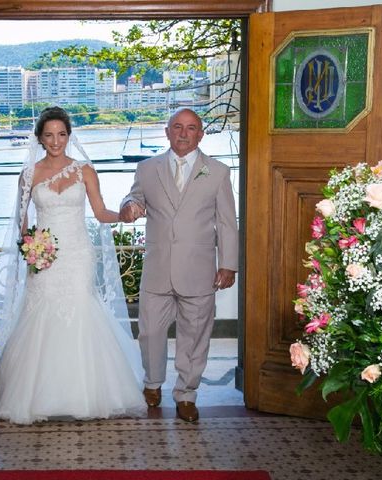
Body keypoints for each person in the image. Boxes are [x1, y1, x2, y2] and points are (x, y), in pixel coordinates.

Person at [0, 106, 147, 424]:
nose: (56, 141)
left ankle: (85, 394)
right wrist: (32, 249)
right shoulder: (29, 174)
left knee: (79, 311)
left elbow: (101, 212)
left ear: (69, 135)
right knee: (42, 314)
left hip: (77, 254)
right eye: (49, 135)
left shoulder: (84, 170)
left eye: (61, 134)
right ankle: (39, 396)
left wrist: (125, 215)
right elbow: (21, 225)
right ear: (39, 138)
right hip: (44, 259)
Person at [120, 108, 238, 422]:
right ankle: (152, 383)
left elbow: (227, 223)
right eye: (177, 127)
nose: (183, 133)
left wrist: (228, 264)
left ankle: (186, 394)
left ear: (200, 134)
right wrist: (130, 206)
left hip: (199, 270)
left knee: (195, 335)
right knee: (150, 333)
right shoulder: (147, 168)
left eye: (191, 128)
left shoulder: (218, 172)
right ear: (167, 131)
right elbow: (134, 198)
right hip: (157, 269)